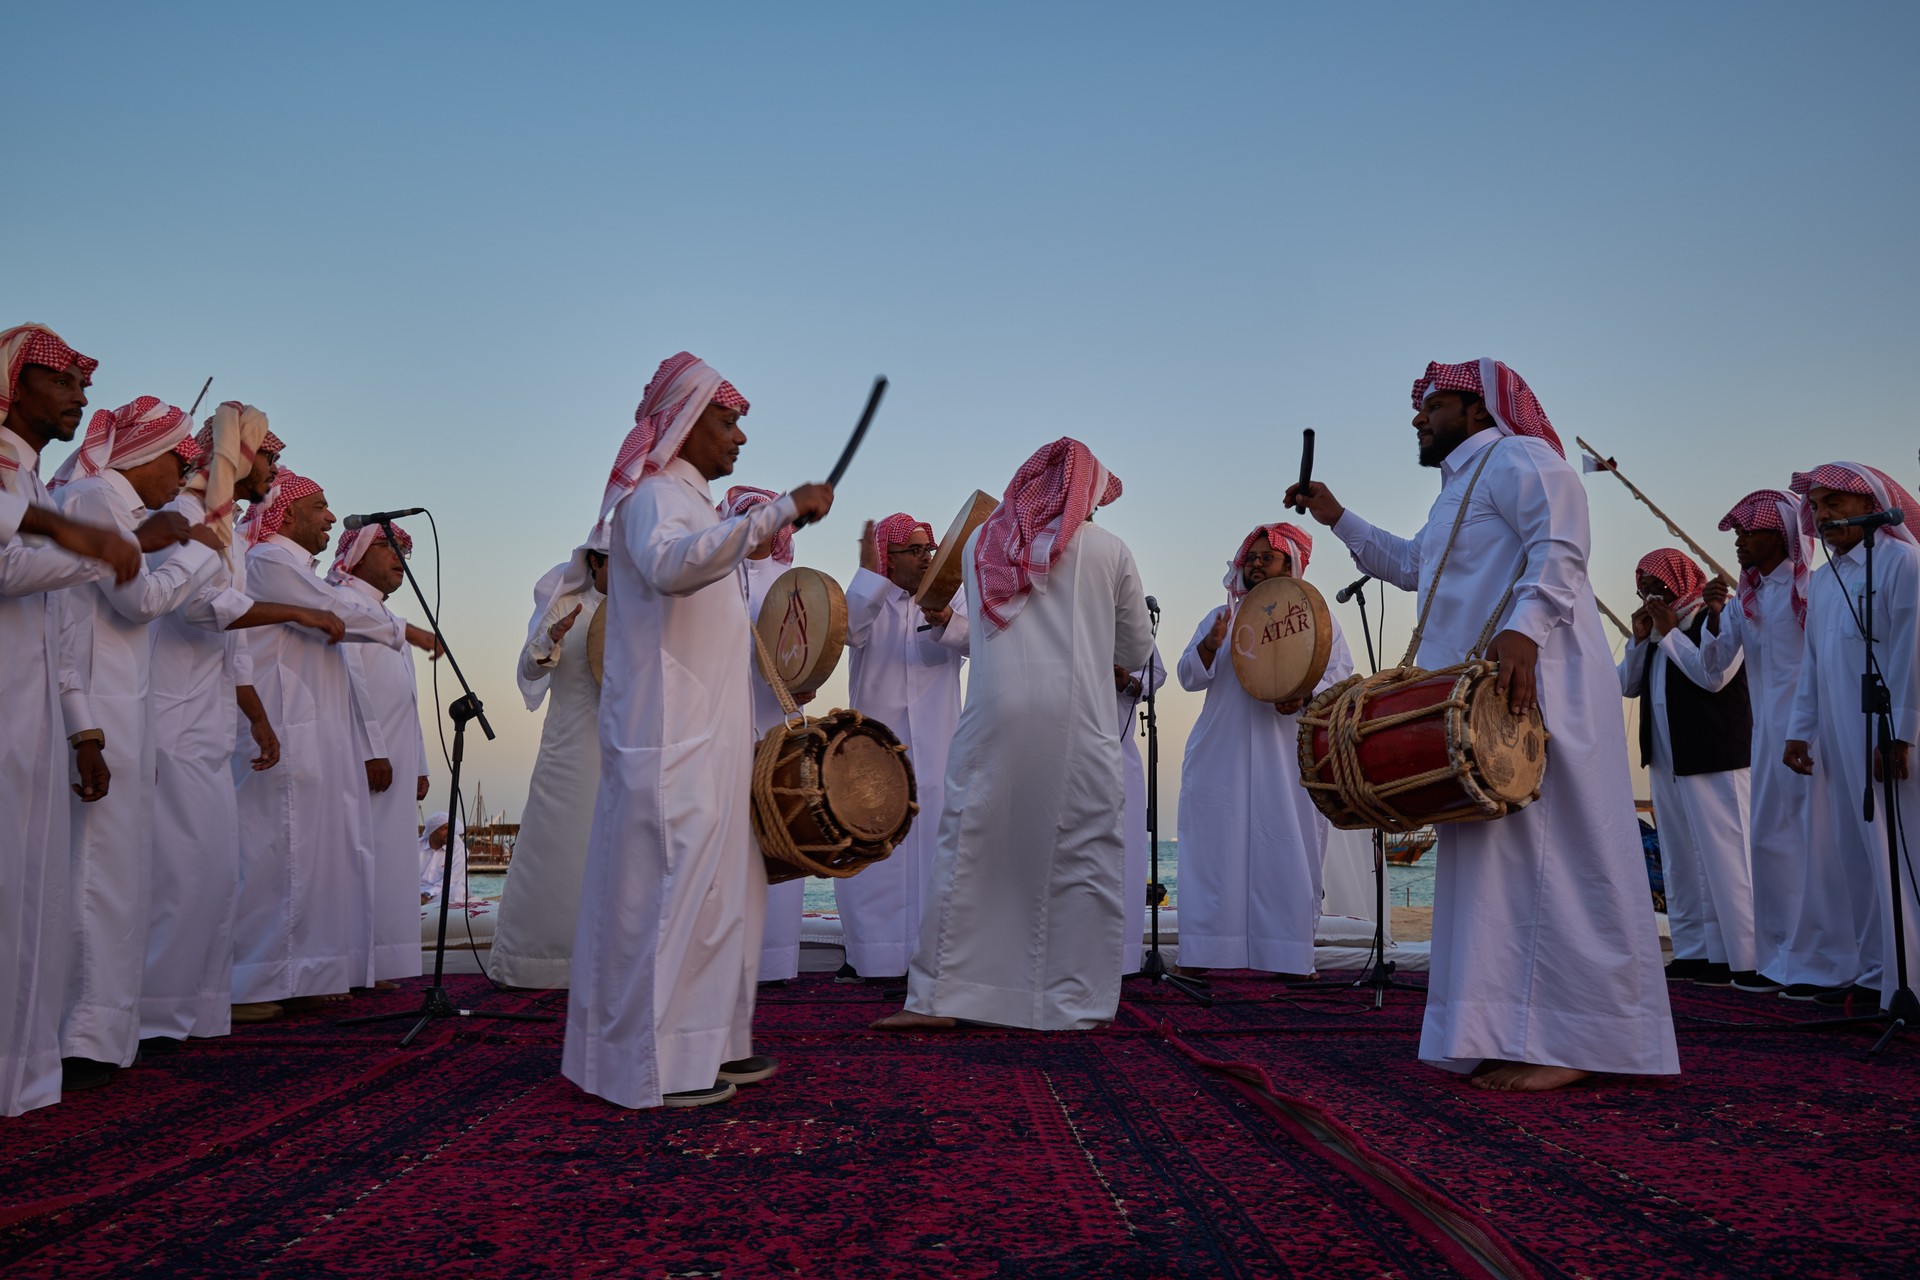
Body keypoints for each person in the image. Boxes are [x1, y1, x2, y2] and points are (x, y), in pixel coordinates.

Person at [1286, 358, 1677, 1092]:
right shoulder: (1454, 494)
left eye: (1430, 406)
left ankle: (1578, 1038)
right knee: (1495, 867)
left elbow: (1561, 544)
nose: (1416, 418)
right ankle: (1502, 1028)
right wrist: (1338, 517)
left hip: (1536, 686)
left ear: (1476, 409)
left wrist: (1527, 629)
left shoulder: (1521, 456)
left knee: (1553, 855)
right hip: (1476, 706)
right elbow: (1411, 566)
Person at [562, 352, 832, 1110]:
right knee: (668, 894)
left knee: (721, 894)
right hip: (666, 736)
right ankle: (653, 1067)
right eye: (728, 419)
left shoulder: (696, 503)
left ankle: (711, 1046)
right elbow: (670, 567)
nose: (740, 436)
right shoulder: (652, 497)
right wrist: (773, 515)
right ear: (684, 423)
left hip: (707, 736)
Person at [877, 438, 1152, 1032]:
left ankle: (942, 999)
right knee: (1080, 854)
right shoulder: (1109, 549)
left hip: (995, 713)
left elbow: (978, 627)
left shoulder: (984, 541)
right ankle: (1073, 1004)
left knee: (975, 847)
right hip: (1078, 719)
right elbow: (1135, 649)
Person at [143, 405, 343, 1045]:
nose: (275, 472)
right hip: (168, 715)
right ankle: (156, 1013)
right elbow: (201, 612)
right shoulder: (181, 520)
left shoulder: (219, 529)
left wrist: (255, 718)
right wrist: (300, 614)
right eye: (269, 458)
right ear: (239, 457)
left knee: (209, 870)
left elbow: (234, 648)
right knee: (182, 869)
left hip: (208, 717)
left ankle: (197, 1008)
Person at [50, 398, 228, 1089]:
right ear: (144, 454)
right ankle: (83, 1035)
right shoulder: (99, 493)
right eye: (180, 461)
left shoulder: (112, 497)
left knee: (120, 876)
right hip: (95, 708)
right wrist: (195, 551)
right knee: (98, 877)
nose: (183, 476)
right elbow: (138, 600)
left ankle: (104, 1031)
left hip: (122, 707)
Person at [230, 471, 424, 1022]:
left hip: (312, 722)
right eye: (320, 507)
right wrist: (398, 628)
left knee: (311, 853)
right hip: (282, 719)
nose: (331, 517)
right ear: (287, 515)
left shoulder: (294, 568)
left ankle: (304, 971)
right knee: (272, 850)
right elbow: (336, 611)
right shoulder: (269, 560)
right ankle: (251, 981)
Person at [0, 324, 130, 1113]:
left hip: (32, 709)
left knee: (29, 890)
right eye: (65, 382)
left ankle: (23, 1071)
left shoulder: (32, 478)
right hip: (7, 708)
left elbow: (57, 624)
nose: (80, 396)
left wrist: (79, 724)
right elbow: (9, 565)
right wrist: (106, 551)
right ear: (17, 385)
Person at [1175, 523, 1354, 978]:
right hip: (1222, 754)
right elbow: (1188, 677)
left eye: (1265, 556)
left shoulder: (1320, 619)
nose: (1254, 563)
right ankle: (1204, 954)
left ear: (1289, 564)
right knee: (1215, 852)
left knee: (1288, 850)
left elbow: (1342, 680)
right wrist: (1209, 646)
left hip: (1286, 757)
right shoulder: (1223, 617)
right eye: (1249, 557)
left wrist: (1307, 696)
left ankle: (1289, 958)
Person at [1701, 491, 1851, 1000]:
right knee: (1770, 845)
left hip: (1813, 735)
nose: (1739, 543)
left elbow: (1823, 663)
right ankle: (1782, 957)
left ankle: (1832, 962)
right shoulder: (1751, 594)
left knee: (1817, 845)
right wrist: (1717, 614)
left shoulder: (1810, 586)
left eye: (1748, 533)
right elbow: (1715, 666)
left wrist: (1805, 729)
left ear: (1779, 534)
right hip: (1765, 738)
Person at [1784, 462, 1920, 1014]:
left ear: (1871, 502)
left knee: (1901, 851)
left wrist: (1901, 734)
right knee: (1857, 855)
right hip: (1842, 735)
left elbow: (1913, 653)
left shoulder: (1904, 563)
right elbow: (1813, 663)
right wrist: (1800, 731)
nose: (1823, 515)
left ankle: (1910, 979)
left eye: (1834, 502)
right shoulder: (1824, 578)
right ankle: (1874, 973)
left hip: (1894, 737)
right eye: (1816, 507)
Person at [835, 513, 969, 983]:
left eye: (928, 551)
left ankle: (932, 959)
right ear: (888, 559)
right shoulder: (870, 600)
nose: (925, 560)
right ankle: (870, 957)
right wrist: (869, 574)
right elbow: (846, 630)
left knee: (936, 851)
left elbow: (984, 640)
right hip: (876, 752)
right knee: (876, 858)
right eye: (914, 552)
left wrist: (948, 621)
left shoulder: (950, 598)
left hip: (937, 748)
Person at [1617, 549, 1756, 989]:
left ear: (1680, 583)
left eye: (1659, 586)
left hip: (1715, 757)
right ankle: (1695, 951)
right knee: (1679, 859)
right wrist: (1642, 640)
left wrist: (1667, 634)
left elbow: (1713, 677)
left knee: (1725, 858)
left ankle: (1742, 955)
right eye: (1645, 588)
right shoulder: (1660, 632)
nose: (1651, 595)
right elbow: (1625, 685)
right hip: (1667, 762)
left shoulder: (1713, 620)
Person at [485, 529, 609, 989]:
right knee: (559, 845)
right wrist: (550, 642)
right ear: (594, 563)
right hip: (571, 746)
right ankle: (538, 962)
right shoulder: (564, 605)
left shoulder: (641, 613)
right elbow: (528, 667)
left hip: (622, 747)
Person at [333, 521, 432, 987]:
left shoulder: (387, 618)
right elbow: (352, 680)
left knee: (392, 858)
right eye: (389, 549)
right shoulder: (344, 603)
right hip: (362, 753)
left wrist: (421, 761)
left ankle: (382, 963)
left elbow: (409, 697)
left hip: (396, 756)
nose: (399, 560)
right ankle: (354, 964)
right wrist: (375, 749)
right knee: (359, 854)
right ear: (358, 555)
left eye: (404, 553)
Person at [722, 485, 809, 985]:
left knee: (778, 824)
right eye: (748, 516)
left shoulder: (791, 581)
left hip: (778, 722)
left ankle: (775, 960)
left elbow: (810, 643)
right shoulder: (713, 578)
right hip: (721, 721)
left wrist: (807, 681)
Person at [1116, 645, 1164, 976]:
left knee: (1123, 856)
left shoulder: (1125, 620)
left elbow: (1155, 671)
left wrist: (1128, 684)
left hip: (1116, 757)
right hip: (1058, 749)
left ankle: (1121, 958)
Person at [419, 811, 472, 907]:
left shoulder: (458, 849)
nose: (449, 832)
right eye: (445, 828)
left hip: (443, 891)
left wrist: (428, 894)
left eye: (451, 828)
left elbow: (451, 880)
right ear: (433, 830)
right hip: (417, 892)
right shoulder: (417, 847)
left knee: (457, 892)